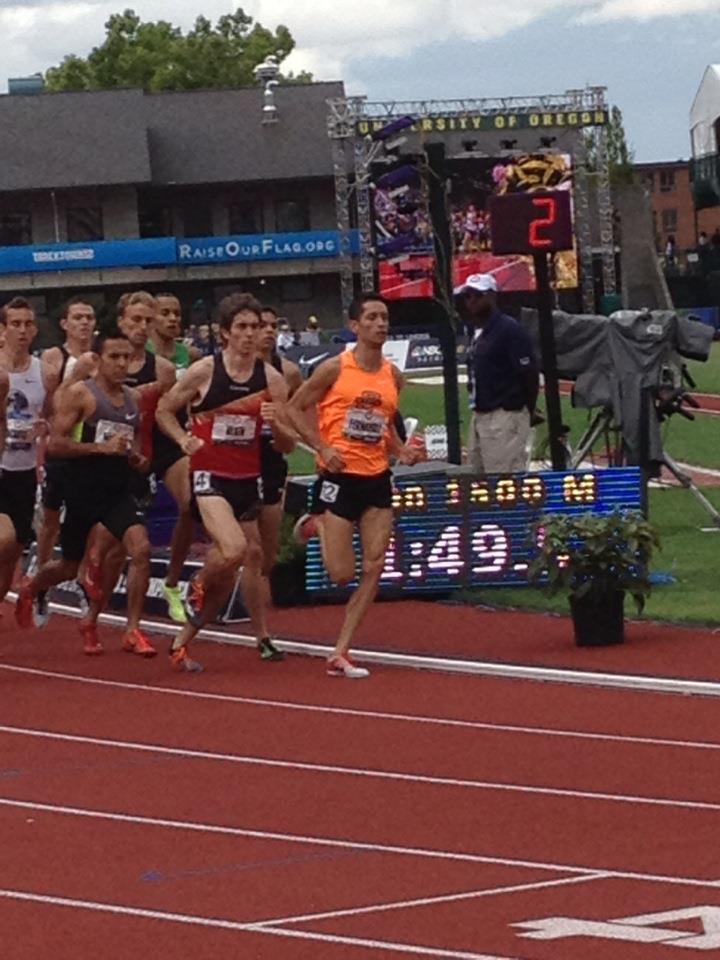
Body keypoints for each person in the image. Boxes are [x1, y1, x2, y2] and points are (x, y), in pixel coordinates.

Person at [156, 292, 294, 673]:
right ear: (225, 333)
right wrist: (182, 439)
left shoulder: (273, 380)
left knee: (243, 563)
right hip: (208, 476)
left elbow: (285, 445)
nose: (251, 335)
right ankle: (194, 584)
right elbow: (165, 410)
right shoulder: (204, 371)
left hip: (247, 480)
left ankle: (182, 643)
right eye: (243, 328)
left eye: (257, 327)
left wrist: (277, 423)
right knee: (232, 550)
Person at [287, 292, 421, 679]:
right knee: (341, 575)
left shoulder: (394, 376)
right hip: (339, 477)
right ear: (354, 325)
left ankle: (341, 650)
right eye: (373, 317)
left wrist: (401, 452)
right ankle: (318, 524)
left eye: (385, 317)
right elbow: (294, 408)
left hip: (377, 477)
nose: (381, 324)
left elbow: (385, 425)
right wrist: (321, 446)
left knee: (375, 565)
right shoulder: (334, 369)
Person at [16, 328, 155, 658]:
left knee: (142, 549)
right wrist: (98, 447)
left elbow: (132, 444)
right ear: (98, 359)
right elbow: (55, 445)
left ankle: (132, 629)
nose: (122, 364)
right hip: (81, 492)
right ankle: (32, 586)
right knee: (68, 565)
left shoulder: (134, 399)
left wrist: (136, 458)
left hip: (117, 492)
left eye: (127, 358)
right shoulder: (81, 394)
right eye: (114, 357)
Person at [239, 305, 302, 660]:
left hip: (271, 460)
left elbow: (293, 423)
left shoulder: (287, 373)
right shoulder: (227, 370)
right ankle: (262, 634)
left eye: (271, 325)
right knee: (249, 551)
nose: (265, 332)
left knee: (267, 552)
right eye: (258, 325)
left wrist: (279, 426)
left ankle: (241, 599)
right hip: (233, 462)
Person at [146, 292, 202, 622]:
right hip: (138, 439)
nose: (172, 319)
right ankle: (93, 570)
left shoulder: (191, 355)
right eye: (164, 313)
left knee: (191, 503)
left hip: (172, 440)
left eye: (176, 312)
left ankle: (172, 581)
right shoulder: (137, 353)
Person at [0, 297, 59, 606]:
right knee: (4, 539)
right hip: (0, 464)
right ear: (2, 330)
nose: (22, 331)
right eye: (15, 324)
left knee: (14, 548)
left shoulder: (45, 373)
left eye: (27, 324)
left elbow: (51, 416)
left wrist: (44, 427)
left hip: (24, 470)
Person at [454, 273, 539, 476]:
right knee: (478, 477)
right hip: (480, 413)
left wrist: (525, 408)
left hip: (504, 414)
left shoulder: (509, 329)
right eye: (467, 296)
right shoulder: (477, 331)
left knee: (504, 479)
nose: (471, 301)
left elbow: (529, 372)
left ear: (491, 296)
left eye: (477, 295)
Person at [36, 296, 98, 574]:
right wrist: (75, 378)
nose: (84, 322)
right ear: (64, 323)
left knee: (91, 517)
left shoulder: (104, 356)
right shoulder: (54, 357)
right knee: (51, 519)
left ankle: (86, 573)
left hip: (91, 447)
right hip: (60, 449)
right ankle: (40, 573)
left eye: (89, 317)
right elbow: (49, 406)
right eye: (78, 317)